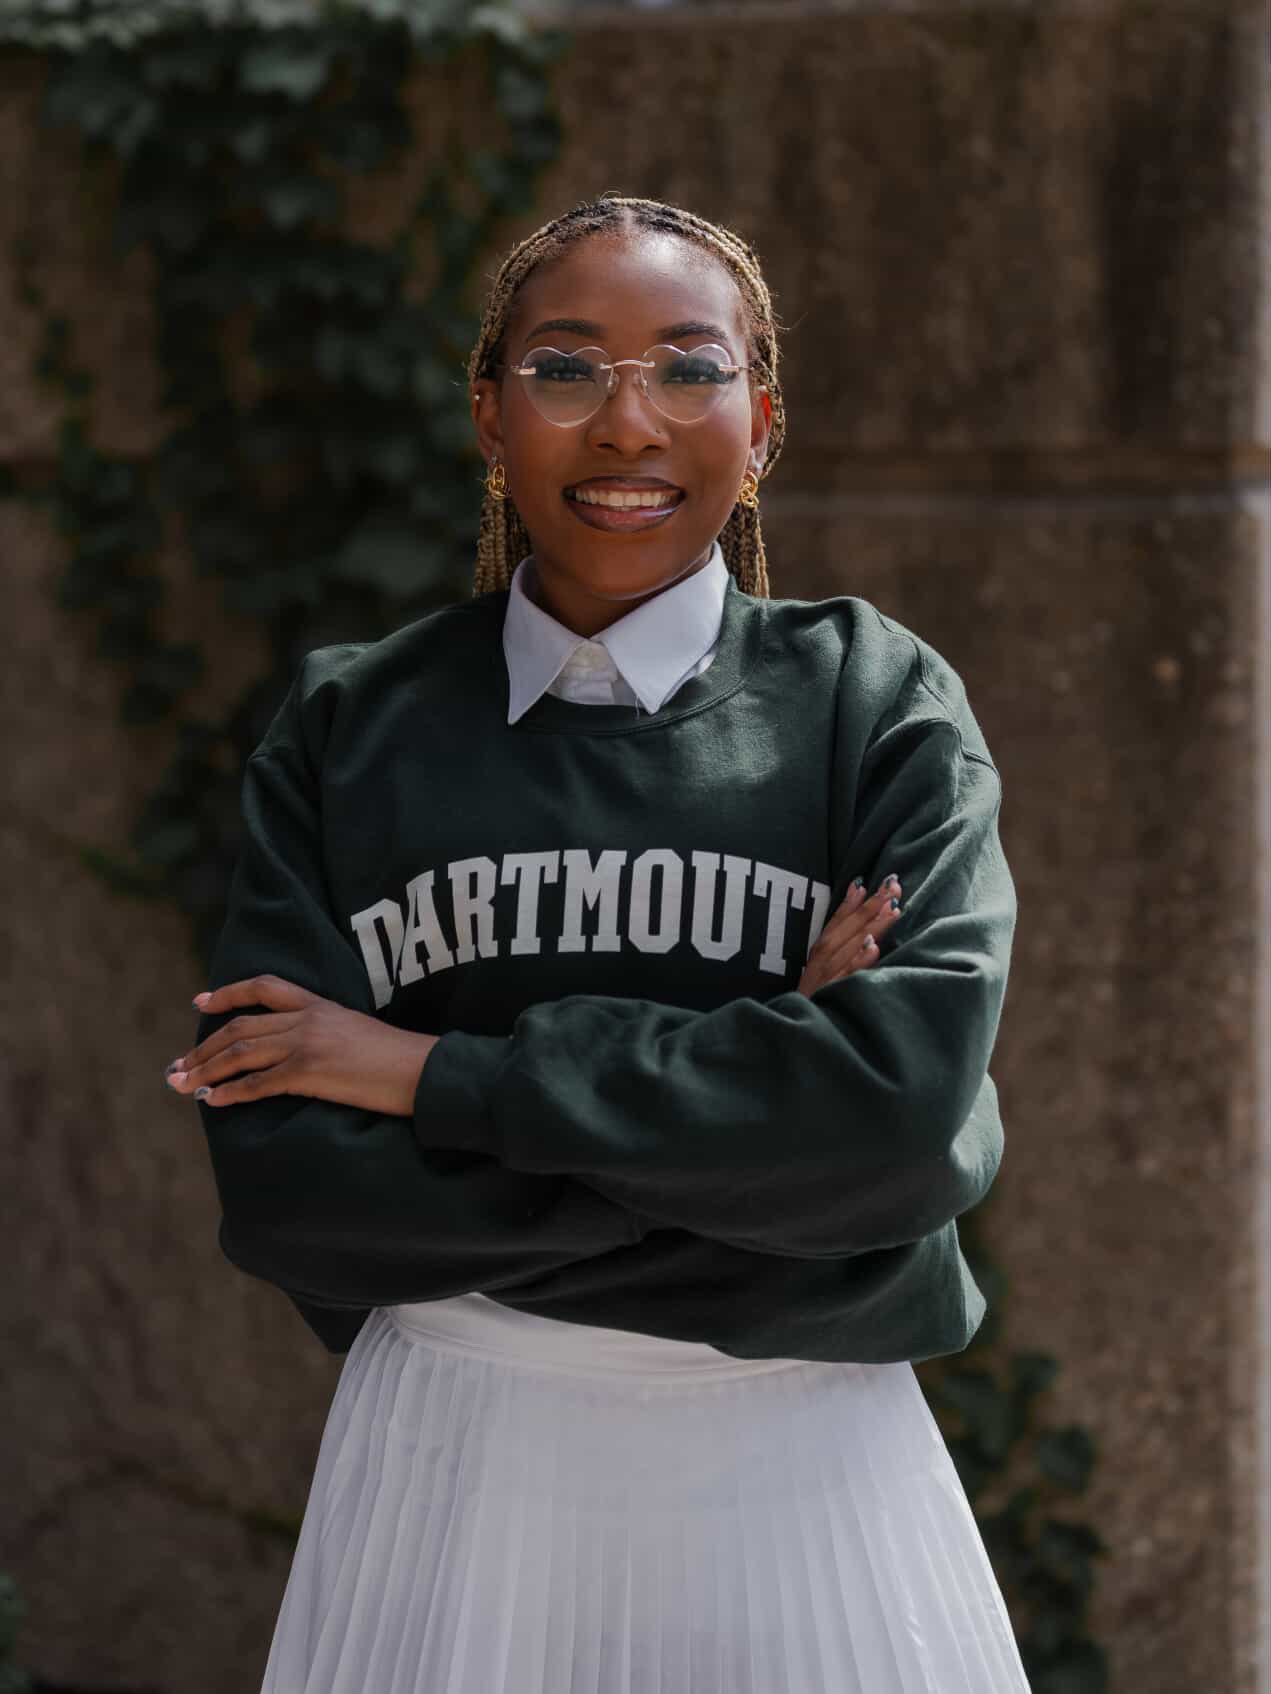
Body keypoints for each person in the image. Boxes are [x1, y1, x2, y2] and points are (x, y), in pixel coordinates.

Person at [170, 192, 1031, 1692]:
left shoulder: (871, 704)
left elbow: (898, 1122)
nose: (628, 421)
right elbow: (292, 1187)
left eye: (689, 367)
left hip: (805, 1460)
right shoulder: (352, 727)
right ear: (492, 420)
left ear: (761, 421)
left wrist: (425, 1074)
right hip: (455, 1457)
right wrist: (757, 1135)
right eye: (567, 368)